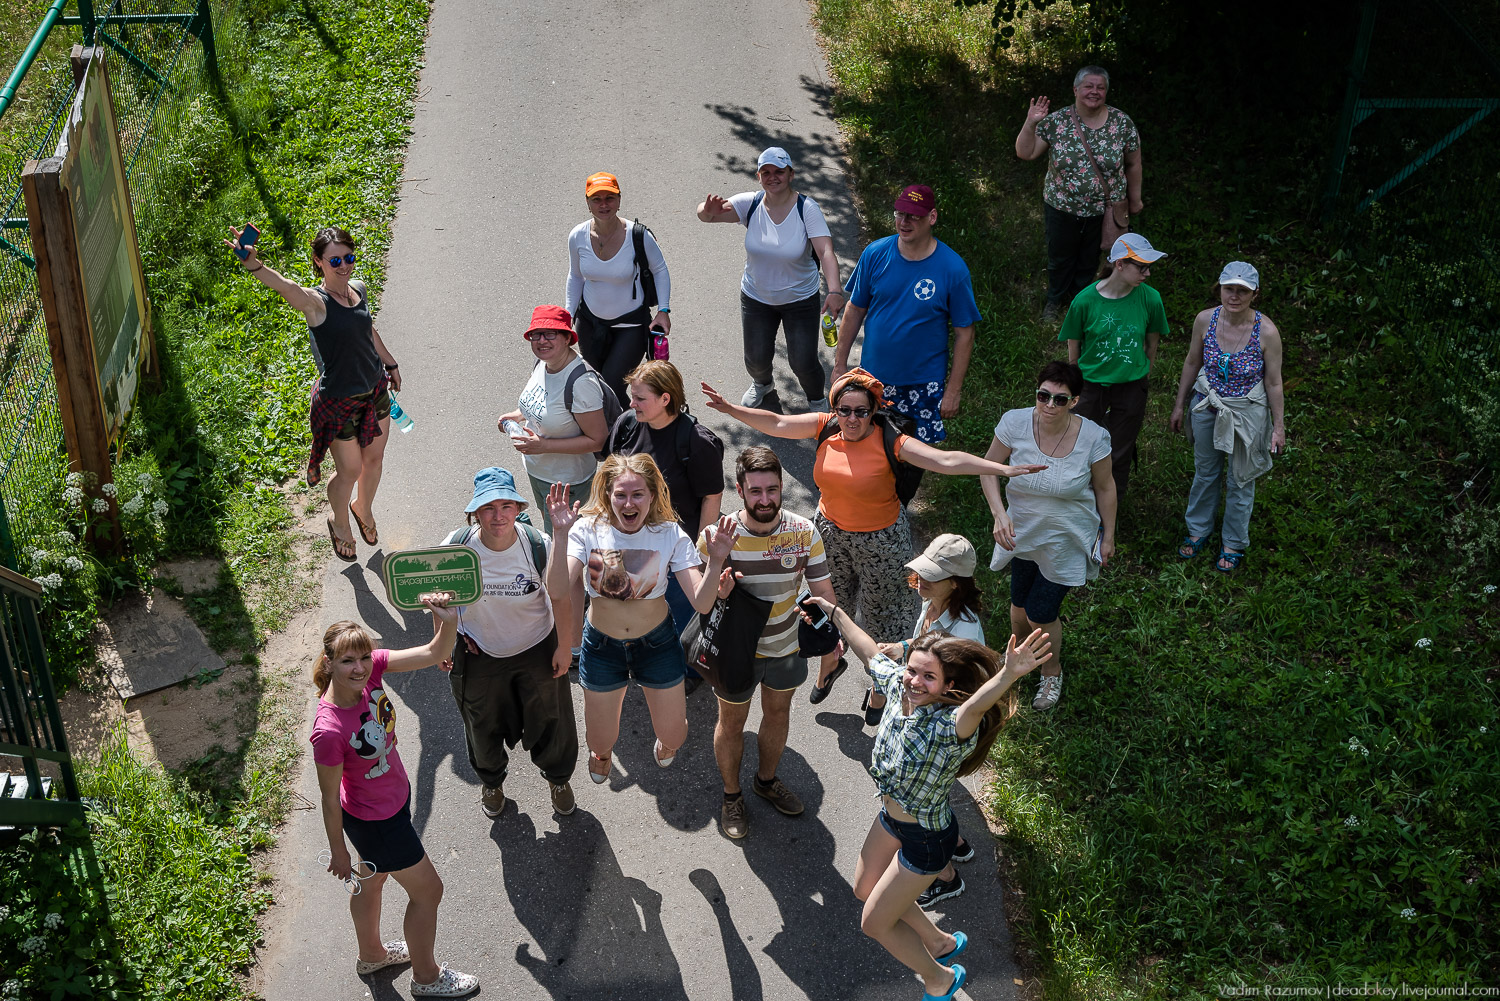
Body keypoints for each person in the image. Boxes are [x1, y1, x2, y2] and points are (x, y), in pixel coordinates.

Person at [702, 368, 1045, 700]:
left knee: (884, 619)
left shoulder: (893, 441)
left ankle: (882, 690)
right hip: (830, 535)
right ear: (835, 409)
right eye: (844, 410)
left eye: (861, 411)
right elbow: (776, 423)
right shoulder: (825, 428)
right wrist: (730, 408)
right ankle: (829, 666)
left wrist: (1001, 468)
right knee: (830, 609)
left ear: (874, 410)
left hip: (881, 543)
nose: (852, 419)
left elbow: (947, 461)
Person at [802, 594, 1053, 1001]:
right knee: (864, 890)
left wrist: (1007, 675)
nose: (915, 682)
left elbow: (974, 707)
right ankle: (938, 941)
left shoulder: (948, 728)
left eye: (928, 677)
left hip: (925, 839)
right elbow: (867, 649)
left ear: (948, 685)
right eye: (912, 672)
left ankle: (938, 978)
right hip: (891, 819)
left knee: (873, 923)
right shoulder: (898, 685)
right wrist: (832, 611)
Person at [310, 597, 480, 997]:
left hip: (392, 803)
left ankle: (371, 954)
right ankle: (427, 977)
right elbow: (329, 799)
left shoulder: (371, 674)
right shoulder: (329, 730)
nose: (360, 667)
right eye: (348, 660)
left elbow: (435, 651)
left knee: (373, 881)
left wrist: (447, 619)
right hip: (376, 822)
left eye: (364, 657)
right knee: (428, 891)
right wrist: (339, 853)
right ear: (329, 662)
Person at [549, 455, 738, 784]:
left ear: (652, 496)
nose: (628, 503)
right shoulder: (586, 529)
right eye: (620, 494)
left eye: (637, 494)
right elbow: (556, 590)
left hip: (657, 644)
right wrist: (560, 535)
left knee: (675, 737)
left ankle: (665, 743)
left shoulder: (669, 535)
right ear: (608, 495)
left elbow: (702, 602)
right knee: (598, 740)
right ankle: (603, 754)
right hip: (602, 648)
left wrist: (717, 560)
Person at [227, 225, 400, 562]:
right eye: (334, 260)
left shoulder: (358, 290)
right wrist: (253, 264)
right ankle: (339, 522)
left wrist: (390, 363)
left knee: (374, 462)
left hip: (374, 392)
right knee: (350, 471)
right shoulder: (315, 303)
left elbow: (367, 330)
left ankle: (361, 507)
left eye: (348, 257)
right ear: (319, 261)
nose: (344, 266)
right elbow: (285, 287)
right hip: (339, 404)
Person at [706, 446, 841, 840]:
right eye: (755, 491)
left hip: (786, 647)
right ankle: (732, 795)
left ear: (781, 488)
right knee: (731, 724)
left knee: (778, 714)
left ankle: (765, 781)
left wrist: (835, 636)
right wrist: (720, 589)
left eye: (772, 490)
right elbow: (700, 598)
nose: (764, 500)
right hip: (735, 653)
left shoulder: (803, 532)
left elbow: (822, 591)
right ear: (740, 489)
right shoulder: (718, 536)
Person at [440, 467, 577, 821]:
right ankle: (492, 782)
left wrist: (564, 647)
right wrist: (442, 642)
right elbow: (439, 599)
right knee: (481, 725)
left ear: (517, 508)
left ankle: (558, 780)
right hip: (479, 652)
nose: (497, 515)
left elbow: (561, 597)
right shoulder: (455, 548)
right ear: (475, 513)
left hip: (537, 648)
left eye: (505, 505)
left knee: (553, 721)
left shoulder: (537, 546)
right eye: (488, 507)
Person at [983, 361, 1117, 711]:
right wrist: (1000, 514)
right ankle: (1017, 661)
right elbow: (988, 469)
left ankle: (1051, 672)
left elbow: (1105, 487)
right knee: (1018, 608)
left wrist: (1109, 536)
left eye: (1060, 399)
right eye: (1043, 396)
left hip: (1067, 537)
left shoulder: (1093, 437)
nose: (1049, 405)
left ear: (1074, 402)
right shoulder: (1015, 422)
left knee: (1040, 613)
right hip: (1022, 531)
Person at [868, 533, 987, 907]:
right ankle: (957, 843)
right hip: (925, 718)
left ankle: (945, 876)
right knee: (932, 794)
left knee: (916, 810)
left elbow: (967, 699)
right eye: (921, 572)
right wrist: (903, 649)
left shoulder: (964, 631)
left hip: (940, 729)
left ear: (956, 583)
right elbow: (924, 643)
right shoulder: (935, 604)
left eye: (931, 576)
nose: (920, 580)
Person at [696, 147, 842, 413]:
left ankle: (816, 400)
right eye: (766, 172)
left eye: (779, 172)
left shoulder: (806, 209)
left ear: (791, 174)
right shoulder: (750, 203)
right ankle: (763, 385)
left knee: (803, 361)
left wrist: (835, 290)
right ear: (759, 176)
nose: (773, 177)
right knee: (755, 359)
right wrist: (707, 211)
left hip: (800, 299)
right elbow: (706, 216)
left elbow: (825, 251)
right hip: (756, 297)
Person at [832, 185, 980, 443]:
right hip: (873, 379)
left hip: (923, 385)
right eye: (900, 214)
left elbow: (965, 333)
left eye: (914, 216)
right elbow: (855, 309)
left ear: (931, 218)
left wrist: (953, 391)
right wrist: (839, 366)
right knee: (871, 451)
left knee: (914, 460)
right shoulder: (875, 253)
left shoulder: (953, 269)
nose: (904, 222)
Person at [1169, 262, 1286, 572]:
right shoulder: (1205, 320)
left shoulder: (1268, 332)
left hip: (1246, 413)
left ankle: (1233, 541)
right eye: (1229, 288)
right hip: (1208, 404)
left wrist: (1278, 426)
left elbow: (1274, 382)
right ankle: (1198, 530)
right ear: (1219, 288)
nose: (1234, 295)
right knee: (1205, 471)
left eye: (1242, 290)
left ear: (1254, 294)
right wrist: (1180, 405)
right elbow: (1193, 362)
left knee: (1240, 478)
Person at [1014, 65, 1143, 322]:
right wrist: (1030, 123)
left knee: (1091, 257)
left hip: (1104, 209)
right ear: (1075, 90)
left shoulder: (1121, 123)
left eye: (1100, 87)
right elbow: (1025, 153)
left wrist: (1135, 199)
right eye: (1088, 86)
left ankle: (1080, 301)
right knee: (1060, 256)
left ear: (1106, 92)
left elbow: (1134, 163)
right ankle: (1054, 300)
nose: (1094, 92)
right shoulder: (1057, 121)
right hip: (1061, 206)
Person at [608, 360, 725, 636]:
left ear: (665, 398)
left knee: (680, 625)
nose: (632, 404)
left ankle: (687, 674)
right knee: (635, 614)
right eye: (631, 396)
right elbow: (609, 476)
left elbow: (712, 497)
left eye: (640, 398)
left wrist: (700, 555)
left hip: (675, 555)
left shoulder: (696, 441)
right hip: (629, 546)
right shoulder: (628, 424)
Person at [1058, 233, 1169, 500]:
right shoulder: (1084, 301)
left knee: (1119, 450)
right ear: (1120, 264)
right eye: (1141, 267)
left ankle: (1109, 513)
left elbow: (1151, 345)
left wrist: (1141, 378)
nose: (1148, 273)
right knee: (1080, 444)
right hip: (1090, 386)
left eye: (1149, 267)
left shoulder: (1151, 299)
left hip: (1131, 388)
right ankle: (1076, 503)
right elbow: (1074, 349)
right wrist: (1077, 385)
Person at [498, 305, 609, 538]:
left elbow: (598, 441)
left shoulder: (581, 383)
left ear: (568, 337)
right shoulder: (543, 364)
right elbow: (545, 403)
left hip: (567, 484)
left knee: (565, 547)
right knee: (552, 536)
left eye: (550, 333)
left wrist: (544, 446)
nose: (541, 341)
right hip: (539, 472)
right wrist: (517, 415)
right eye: (536, 335)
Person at [566, 171, 671, 405]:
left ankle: (626, 433)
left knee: (613, 384)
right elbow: (575, 276)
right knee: (593, 384)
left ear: (619, 200)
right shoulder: (577, 236)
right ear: (588, 203)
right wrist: (567, 316)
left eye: (610, 198)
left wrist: (663, 311)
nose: (604, 204)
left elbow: (660, 270)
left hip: (631, 325)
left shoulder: (638, 236)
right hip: (590, 323)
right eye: (597, 199)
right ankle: (606, 434)